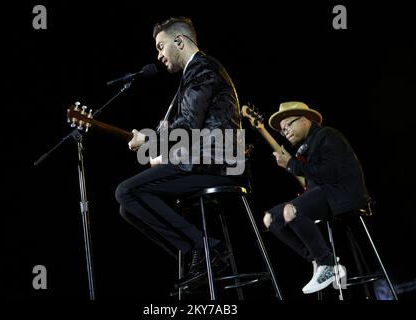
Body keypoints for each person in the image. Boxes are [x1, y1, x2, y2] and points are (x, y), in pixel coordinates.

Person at [115, 16, 244, 291]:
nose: (158, 55)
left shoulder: (202, 67)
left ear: (179, 41)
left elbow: (188, 125)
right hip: (204, 162)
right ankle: (198, 256)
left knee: (126, 192)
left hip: (217, 165)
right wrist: (166, 155)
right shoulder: (195, 72)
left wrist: (148, 138)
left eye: (161, 46)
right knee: (128, 208)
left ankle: (210, 249)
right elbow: (193, 129)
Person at [263, 101, 369, 294]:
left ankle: (327, 264)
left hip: (342, 193)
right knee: (270, 219)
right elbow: (312, 182)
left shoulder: (326, 135)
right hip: (324, 193)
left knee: (291, 211)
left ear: (304, 120)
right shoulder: (304, 147)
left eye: (288, 125)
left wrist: (291, 165)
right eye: (282, 130)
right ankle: (317, 259)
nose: (285, 131)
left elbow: (330, 173)